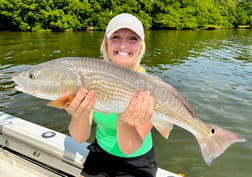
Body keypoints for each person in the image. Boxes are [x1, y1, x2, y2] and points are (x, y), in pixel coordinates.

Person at [65, 13, 157, 177]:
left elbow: (128, 148)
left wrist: (125, 118)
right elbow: (80, 138)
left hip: (136, 161)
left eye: (132, 38)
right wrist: (78, 113)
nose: (123, 45)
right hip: (99, 154)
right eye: (116, 37)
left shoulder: (151, 88)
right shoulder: (91, 77)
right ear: (106, 44)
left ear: (141, 47)